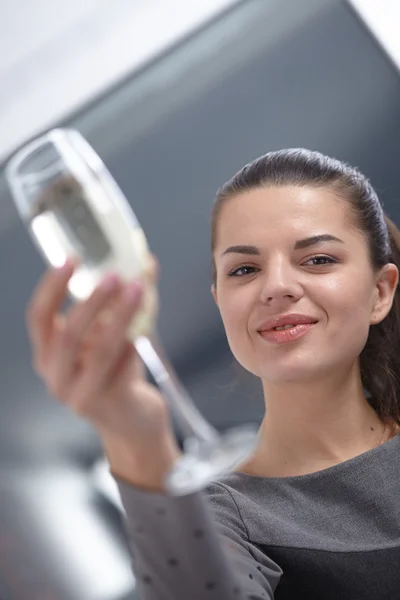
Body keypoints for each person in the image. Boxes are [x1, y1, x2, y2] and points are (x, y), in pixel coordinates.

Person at [26, 148, 400, 599]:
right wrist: (135, 440)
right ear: (220, 301)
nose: (277, 286)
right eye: (244, 269)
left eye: (318, 259)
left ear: (380, 292)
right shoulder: (224, 516)